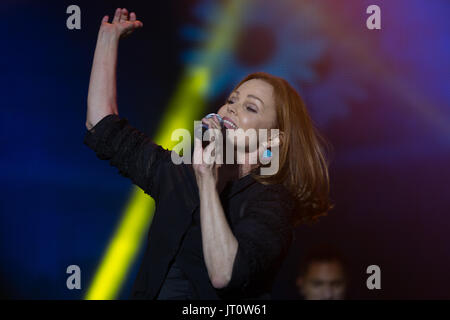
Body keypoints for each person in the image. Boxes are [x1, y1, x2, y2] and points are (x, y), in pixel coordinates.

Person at [84, 8, 333, 299]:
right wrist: (107, 38)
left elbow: (226, 275)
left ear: (273, 139)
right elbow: (101, 125)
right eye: (232, 99)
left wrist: (207, 181)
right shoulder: (181, 176)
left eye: (250, 107)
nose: (231, 108)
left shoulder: (271, 200)